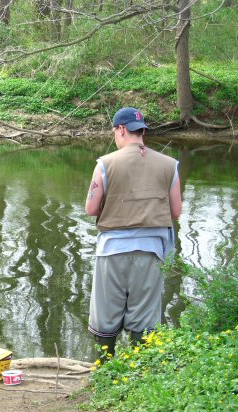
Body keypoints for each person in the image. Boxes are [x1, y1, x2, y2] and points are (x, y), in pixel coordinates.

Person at [85, 107, 182, 361]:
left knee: (105, 315)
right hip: (151, 251)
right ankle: (141, 374)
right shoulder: (170, 165)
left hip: (112, 250)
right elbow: (176, 210)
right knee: (144, 316)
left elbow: (91, 208)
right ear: (142, 131)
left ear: (121, 130)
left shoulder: (105, 163)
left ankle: (105, 369)